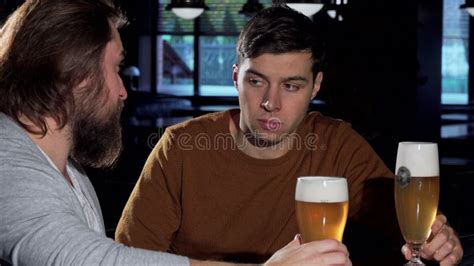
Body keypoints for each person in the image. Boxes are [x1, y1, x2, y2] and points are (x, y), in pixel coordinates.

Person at [0, 1, 351, 265]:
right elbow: (89, 260)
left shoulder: (68, 172)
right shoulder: (8, 164)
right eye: (116, 67)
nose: (124, 91)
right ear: (78, 76)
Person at [115, 4, 463, 265]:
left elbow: (407, 220)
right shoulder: (181, 147)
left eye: (292, 86)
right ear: (235, 77)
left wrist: (435, 238)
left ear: (316, 86)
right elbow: (127, 261)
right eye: (256, 81)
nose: (270, 103)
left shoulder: (336, 143)